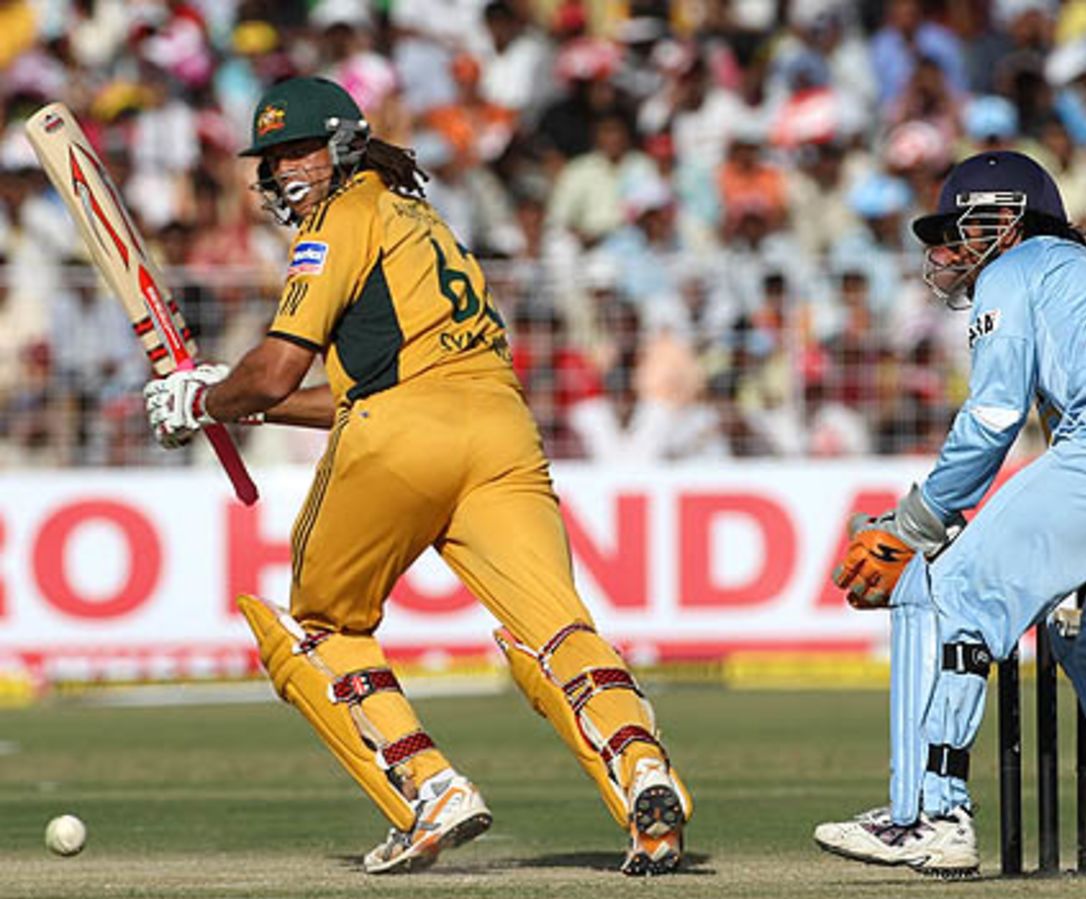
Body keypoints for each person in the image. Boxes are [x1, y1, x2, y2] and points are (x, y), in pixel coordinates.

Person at [142, 76, 691, 876]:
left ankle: (429, 787)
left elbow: (281, 370)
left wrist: (206, 398)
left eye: (297, 149)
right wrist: (244, 402)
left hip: (400, 435)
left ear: (341, 146)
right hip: (499, 429)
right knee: (558, 630)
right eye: (273, 157)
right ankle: (644, 768)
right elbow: (354, 380)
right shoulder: (423, 220)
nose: (283, 171)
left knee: (320, 624)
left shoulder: (338, 221)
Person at [812, 151, 1086, 878]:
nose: (947, 250)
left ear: (1009, 221)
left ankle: (931, 815)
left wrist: (914, 524)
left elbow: (991, 418)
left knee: (953, 588)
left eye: (963, 228)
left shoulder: (1015, 271)